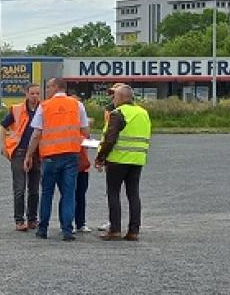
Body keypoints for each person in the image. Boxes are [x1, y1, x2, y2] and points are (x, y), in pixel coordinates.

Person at [24, 77, 90, 241]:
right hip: (71, 155)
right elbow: (85, 131)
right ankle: (67, 230)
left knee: (47, 193)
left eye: (48, 86)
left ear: (56, 87)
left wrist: (29, 155)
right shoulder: (77, 105)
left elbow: (36, 134)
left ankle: (43, 229)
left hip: (50, 156)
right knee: (68, 193)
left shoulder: (44, 106)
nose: (46, 90)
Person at [96, 83, 151, 241]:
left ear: (120, 98)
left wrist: (100, 158)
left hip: (118, 159)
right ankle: (133, 231)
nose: (113, 99)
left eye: (115, 96)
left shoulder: (118, 113)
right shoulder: (143, 113)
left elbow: (110, 138)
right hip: (137, 160)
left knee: (113, 193)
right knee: (133, 194)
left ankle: (115, 230)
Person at [0, 83, 42, 231]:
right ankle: (19, 220)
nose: (35, 96)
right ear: (26, 93)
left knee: (35, 189)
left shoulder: (43, 109)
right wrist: (4, 146)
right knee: (19, 188)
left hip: (38, 153)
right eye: (32, 93)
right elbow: (3, 125)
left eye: (37, 93)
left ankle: (32, 219)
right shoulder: (17, 109)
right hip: (19, 151)